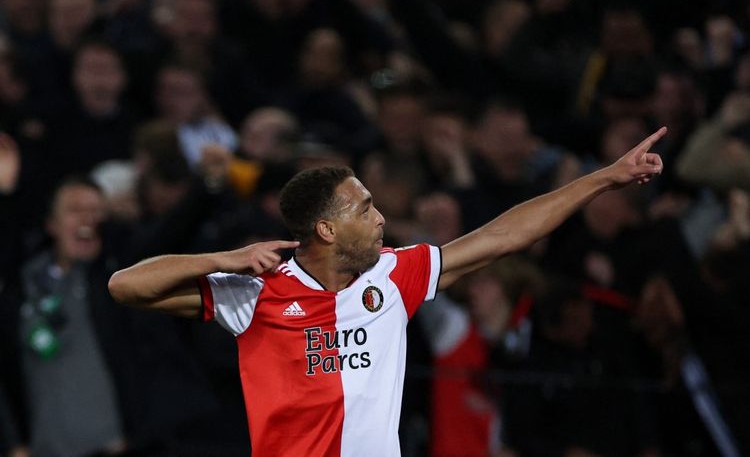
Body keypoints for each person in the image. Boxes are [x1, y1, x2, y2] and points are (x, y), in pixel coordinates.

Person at [108, 126, 667, 456]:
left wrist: (602, 178)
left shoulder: (394, 275)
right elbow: (126, 287)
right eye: (365, 208)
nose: (381, 219)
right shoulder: (257, 293)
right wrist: (223, 259)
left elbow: (502, 237)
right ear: (327, 230)